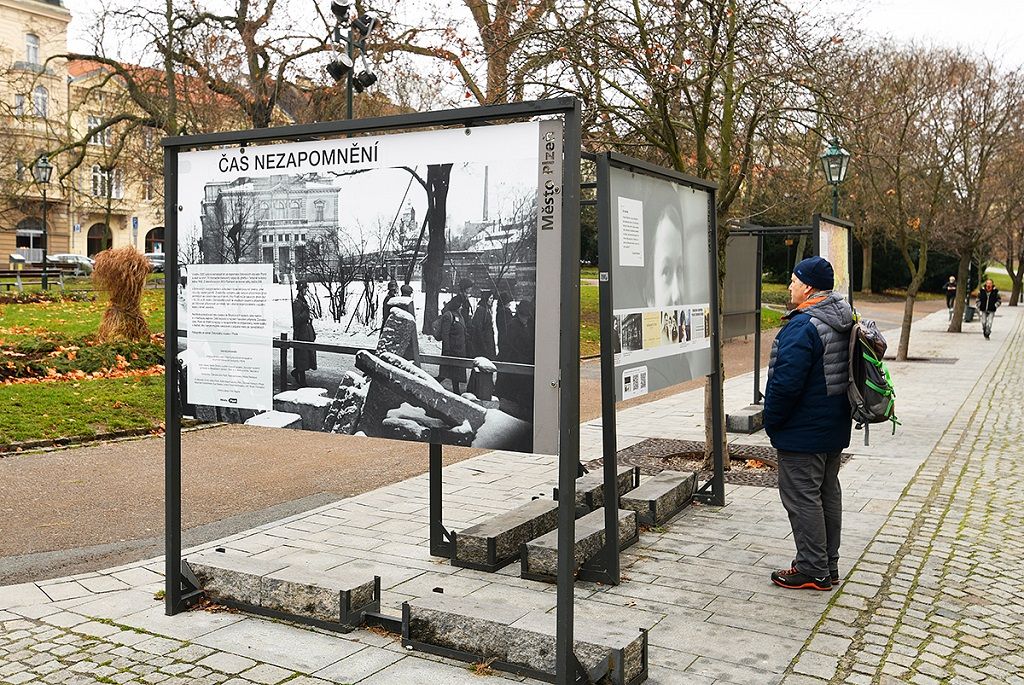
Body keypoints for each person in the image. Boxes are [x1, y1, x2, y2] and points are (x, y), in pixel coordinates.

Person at [764, 256, 854, 591]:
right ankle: (827, 564)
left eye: (793, 280)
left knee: (802, 497)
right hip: (833, 425)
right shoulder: (842, 317)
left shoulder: (804, 325)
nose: (790, 286)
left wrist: (772, 422)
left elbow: (786, 384)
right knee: (827, 493)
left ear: (809, 286)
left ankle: (812, 568)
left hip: (804, 429)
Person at [438, 296, 468, 394]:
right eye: (461, 305)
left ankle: (456, 390)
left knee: (456, 373)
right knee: (447, 372)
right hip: (451, 349)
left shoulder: (459, 315)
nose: (462, 307)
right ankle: (433, 385)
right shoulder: (448, 315)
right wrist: (447, 348)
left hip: (459, 349)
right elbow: (445, 333)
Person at [291, 281, 317, 388]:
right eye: (305, 289)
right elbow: (296, 319)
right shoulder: (297, 303)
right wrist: (306, 313)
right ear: (301, 289)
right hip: (301, 332)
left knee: (306, 355)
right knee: (302, 357)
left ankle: (297, 373)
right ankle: (302, 379)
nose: (306, 291)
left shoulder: (303, 301)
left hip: (306, 331)